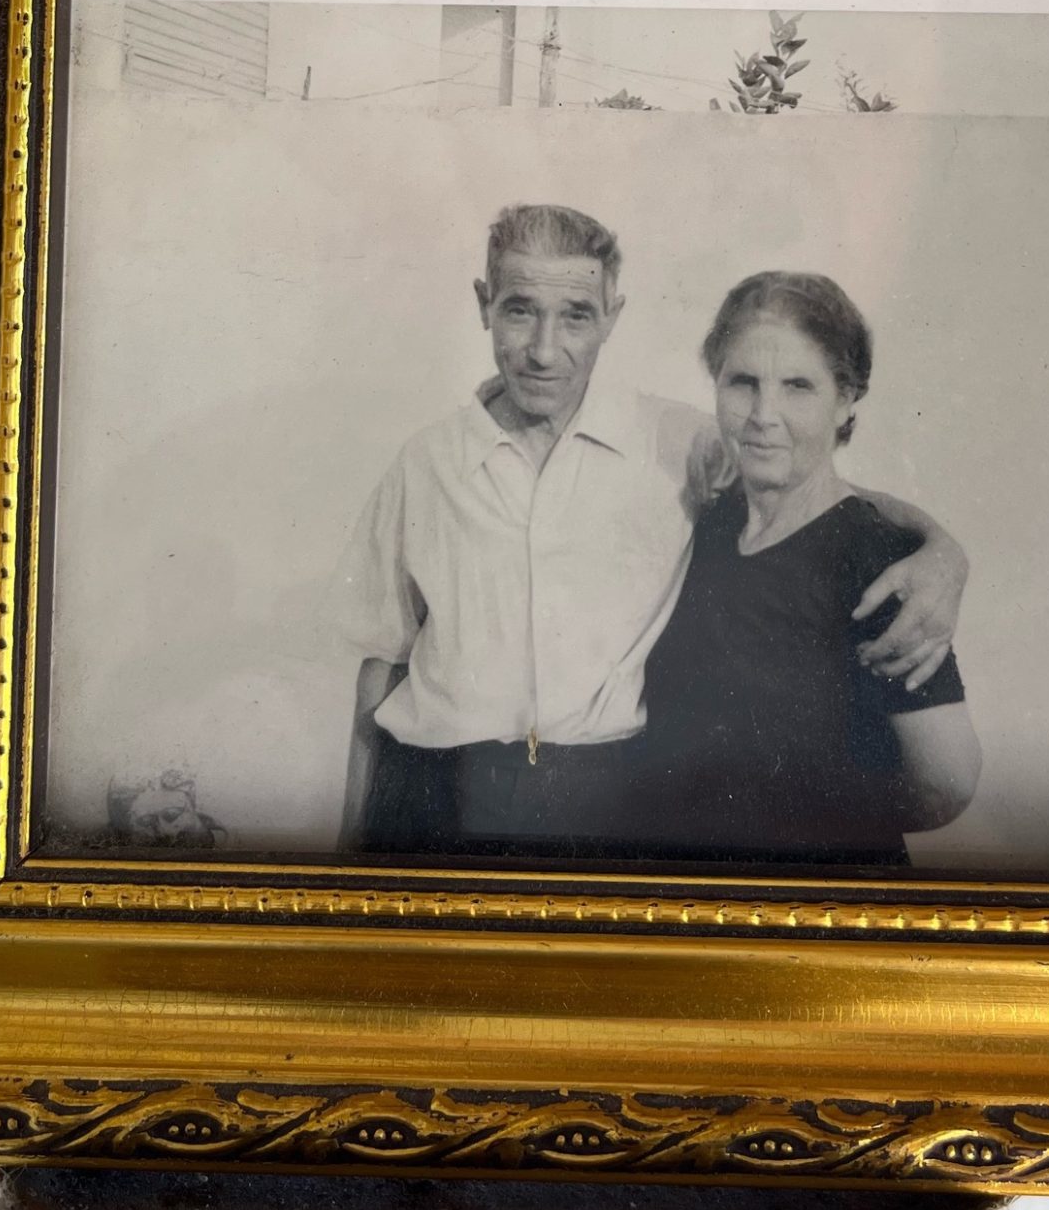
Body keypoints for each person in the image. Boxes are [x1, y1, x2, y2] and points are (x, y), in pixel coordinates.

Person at [331, 203, 970, 859]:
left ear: (611, 316)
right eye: (520, 310)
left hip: (598, 802)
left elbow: (813, 489)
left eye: (576, 315)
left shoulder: (675, 443)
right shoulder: (425, 463)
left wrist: (943, 550)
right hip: (429, 795)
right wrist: (348, 847)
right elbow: (383, 660)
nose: (545, 351)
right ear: (483, 304)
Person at [612, 271, 982, 866]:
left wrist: (799, 828)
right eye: (743, 383)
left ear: (846, 399)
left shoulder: (876, 557)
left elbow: (947, 784)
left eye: (798, 387)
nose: (764, 414)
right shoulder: (706, 520)